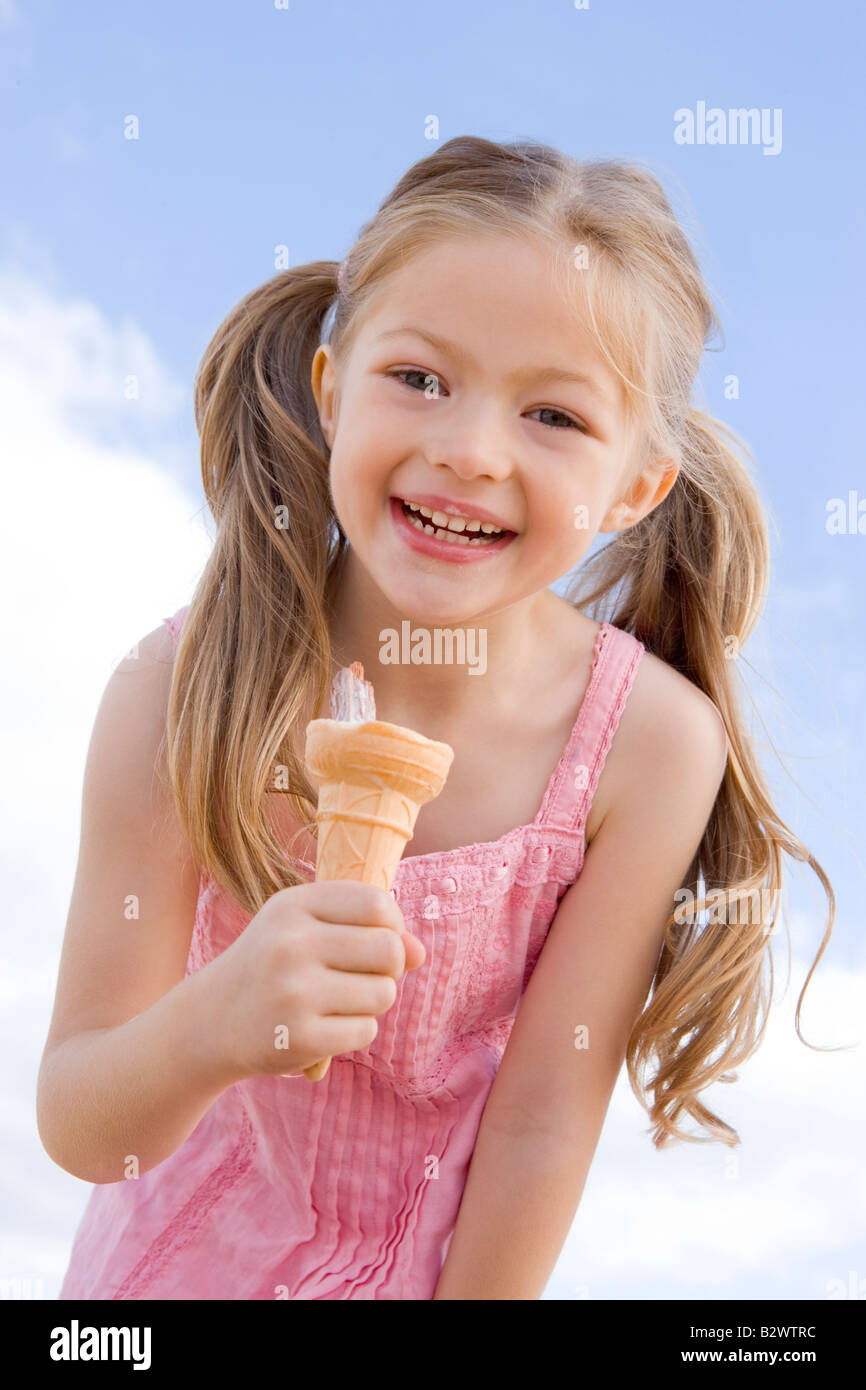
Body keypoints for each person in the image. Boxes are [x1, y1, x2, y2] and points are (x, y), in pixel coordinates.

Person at [38, 135, 835, 1300]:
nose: (467, 451)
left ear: (634, 485)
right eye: (418, 378)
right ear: (328, 391)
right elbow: (82, 1125)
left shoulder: (645, 747)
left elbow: (539, 1127)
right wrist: (214, 1022)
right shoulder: (177, 691)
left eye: (553, 417)